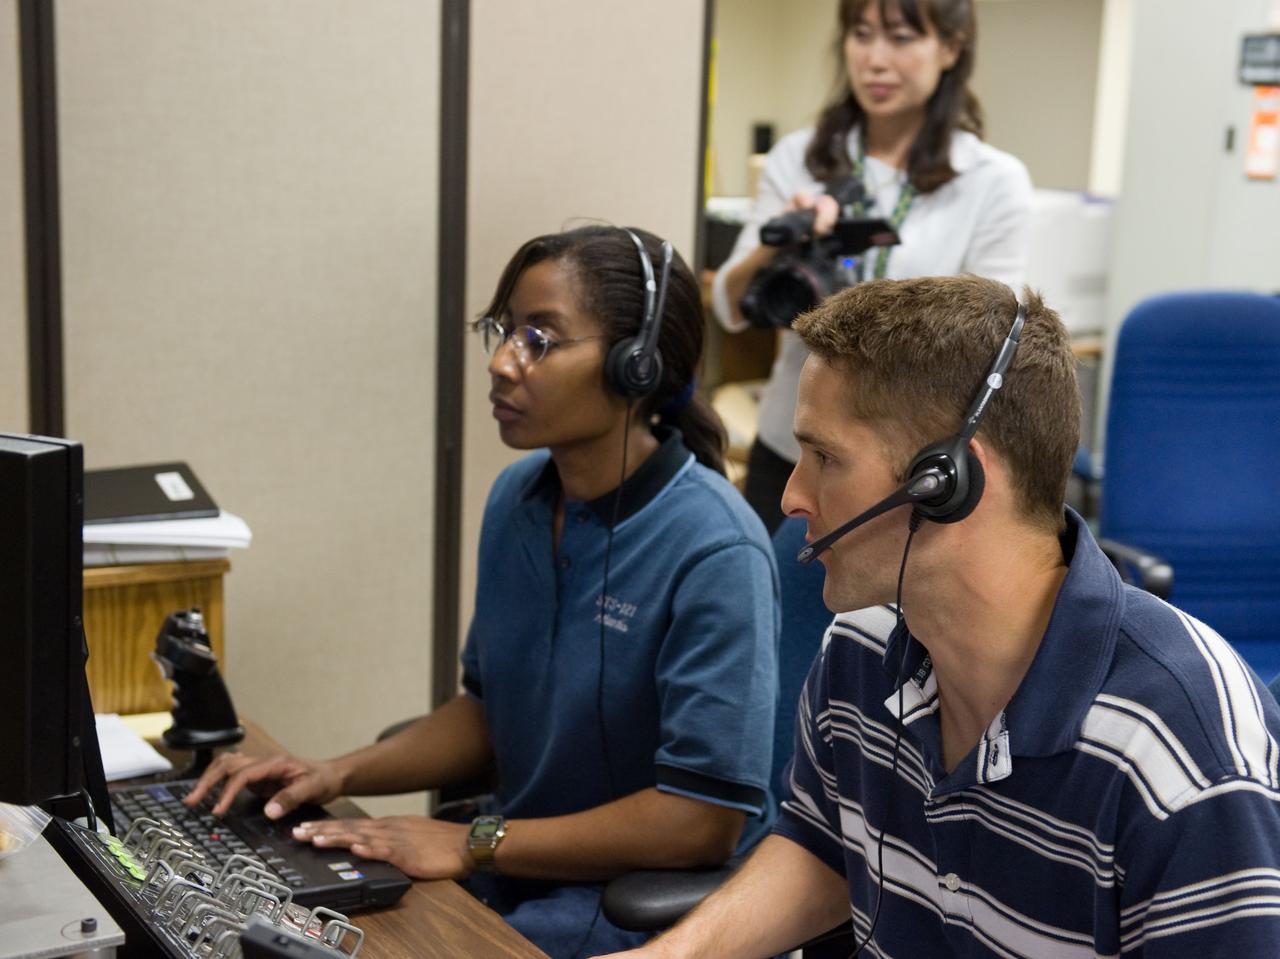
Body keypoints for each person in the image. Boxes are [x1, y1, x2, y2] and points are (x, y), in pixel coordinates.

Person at [596, 274, 1280, 958]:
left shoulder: (1185, 754)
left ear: (948, 482)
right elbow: (820, 845)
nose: (792, 497)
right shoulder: (859, 647)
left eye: (826, 457)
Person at [186, 225, 781, 959]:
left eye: (539, 338)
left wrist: (473, 841)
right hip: (516, 869)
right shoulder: (520, 499)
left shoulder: (714, 545)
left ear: (637, 365)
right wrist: (334, 769)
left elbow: (701, 820)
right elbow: (487, 712)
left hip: (637, 912)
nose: (502, 363)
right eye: (504, 331)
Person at [712, 0, 1032, 533]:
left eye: (902, 38)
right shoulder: (801, 158)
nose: (875, 60)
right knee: (778, 609)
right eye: (861, 35)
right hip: (791, 448)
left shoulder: (991, 182)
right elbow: (728, 305)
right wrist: (783, 238)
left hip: (907, 460)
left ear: (950, 48)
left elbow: (993, 340)